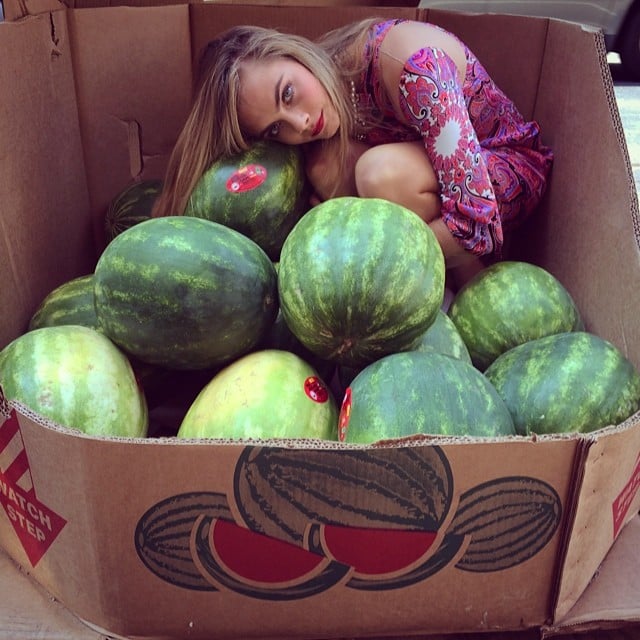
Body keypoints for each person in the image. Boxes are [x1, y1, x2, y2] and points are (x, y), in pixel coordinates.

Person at [152, 19, 553, 286]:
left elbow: (476, 223)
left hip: (503, 176)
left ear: (293, 54)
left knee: (379, 174)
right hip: (435, 184)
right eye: (276, 128)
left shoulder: (416, 70)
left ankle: (472, 287)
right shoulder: (331, 90)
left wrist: (373, 275)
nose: (301, 124)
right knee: (326, 165)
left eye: (288, 93)